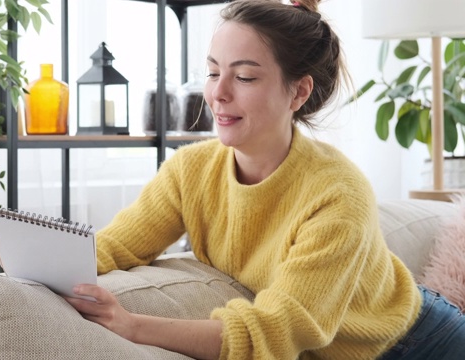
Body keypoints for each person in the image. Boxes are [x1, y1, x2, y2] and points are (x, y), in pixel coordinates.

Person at [63, 0, 465, 359]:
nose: (217, 93)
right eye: (213, 71)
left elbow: (271, 335)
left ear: (298, 92)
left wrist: (132, 324)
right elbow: (115, 246)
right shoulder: (190, 171)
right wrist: (43, 266)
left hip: (418, 343)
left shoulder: (338, 194)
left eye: (245, 77)